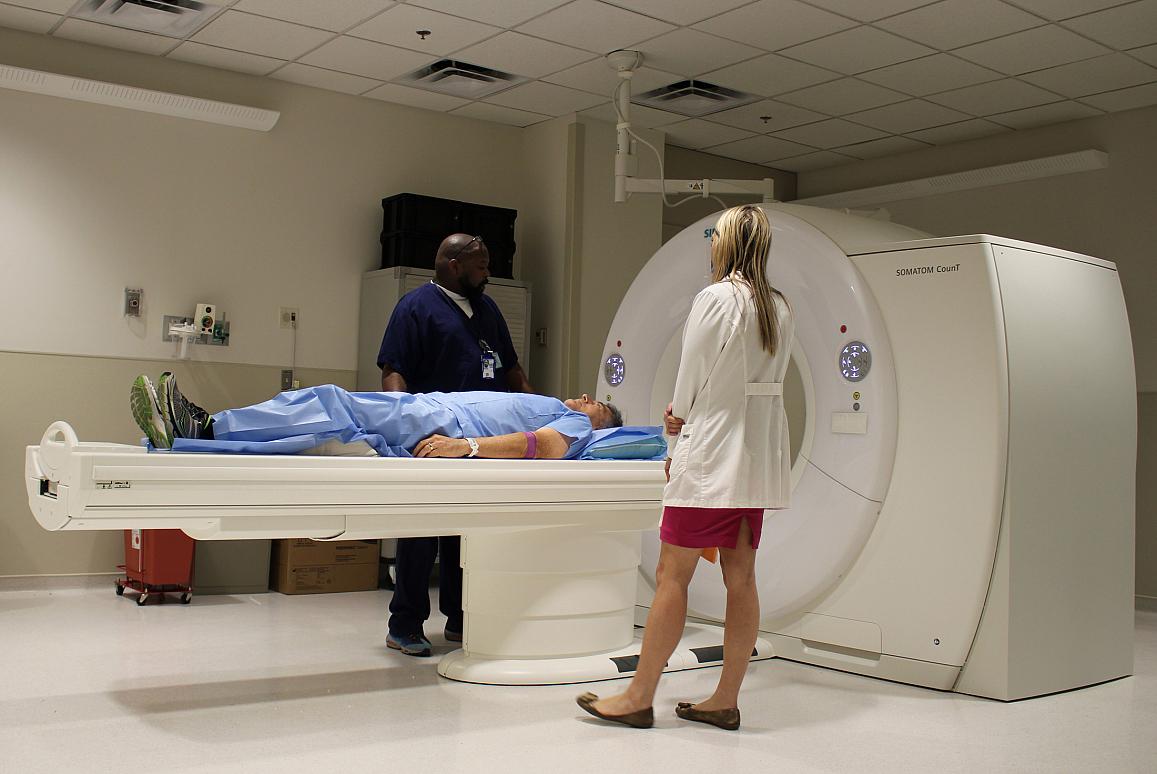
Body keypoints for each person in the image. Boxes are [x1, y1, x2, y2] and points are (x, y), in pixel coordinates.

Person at [575, 205, 794, 731]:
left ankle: (638, 697)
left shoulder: (716, 298)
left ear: (727, 244)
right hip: (755, 461)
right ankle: (724, 698)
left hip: (713, 456)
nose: (711, 244)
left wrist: (676, 418)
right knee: (742, 578)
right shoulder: (779, 306)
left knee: (675, 573)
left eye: (714, 236)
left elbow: (691, 372)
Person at [376, 233, 536, 656]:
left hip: (479, 441)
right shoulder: (415, 308)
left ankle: (461, 619)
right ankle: (404, 624)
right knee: (421, 533)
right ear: (453, 264)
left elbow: (512, 368)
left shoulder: (488, 309)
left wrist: (537, 409)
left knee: (467, 534)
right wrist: (400, 423)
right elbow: (394, 372)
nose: (487, 274)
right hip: (433, 440)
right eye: (481, 266)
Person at [130, 375, 620, 459]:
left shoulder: (575, 426)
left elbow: (545, 447)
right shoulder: (554, 403)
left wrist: (464, 447)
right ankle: (206, 428)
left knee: (331, 404)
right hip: (432, 407)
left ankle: (207, 427)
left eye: (595, 402)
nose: (583, 397)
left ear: (601, 423)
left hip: (442, 426)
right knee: (329, 406)